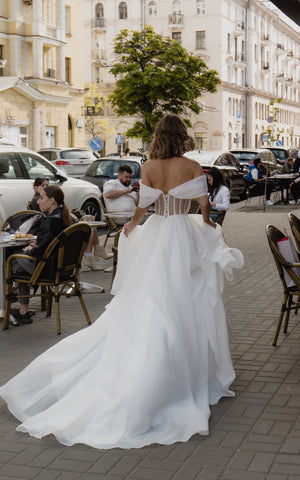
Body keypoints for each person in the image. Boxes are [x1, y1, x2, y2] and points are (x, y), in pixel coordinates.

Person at [0, 114, 243, 450]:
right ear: (183, 135)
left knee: (151, 296)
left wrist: (131, 226)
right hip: (183, 235)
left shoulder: (151, 166)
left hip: (158, 233)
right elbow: (203, 206)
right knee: (186, 297)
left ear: (158, 134)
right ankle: (183, 364)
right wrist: (206, 224)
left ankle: (153, 361)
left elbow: (144, 206)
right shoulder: (191, 166)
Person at [10, 185, 73, 324]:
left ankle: (17, 303)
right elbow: (54, 242)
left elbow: (39, 252)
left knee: (13, 258)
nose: (38, 201)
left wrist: (30, 249)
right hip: (65, 269)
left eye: (42, 198)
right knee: (19, 261)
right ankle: (22, 308)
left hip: (48, 270)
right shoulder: (66, 217)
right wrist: (38, 242)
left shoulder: (50, 220)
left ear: (52, 201)